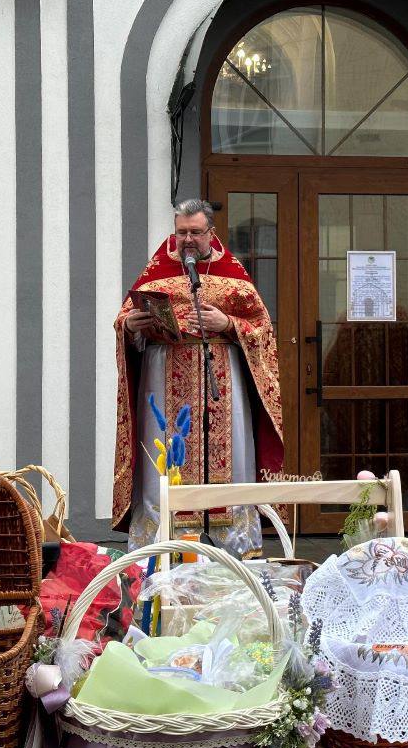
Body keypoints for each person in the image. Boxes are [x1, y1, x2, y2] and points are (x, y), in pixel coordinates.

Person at [112, 199, 284, 551]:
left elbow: (263, 330)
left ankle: (232, 549)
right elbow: (123, 318)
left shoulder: (232, 272)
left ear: (211, 232)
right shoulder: (157, 269)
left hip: (222, 382)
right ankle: (163, 547)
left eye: (194, 232)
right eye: (181, 233)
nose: (187, 240)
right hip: (163, 378)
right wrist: (130, 325)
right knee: (162, 460)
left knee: (229, 463)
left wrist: (228, 323)